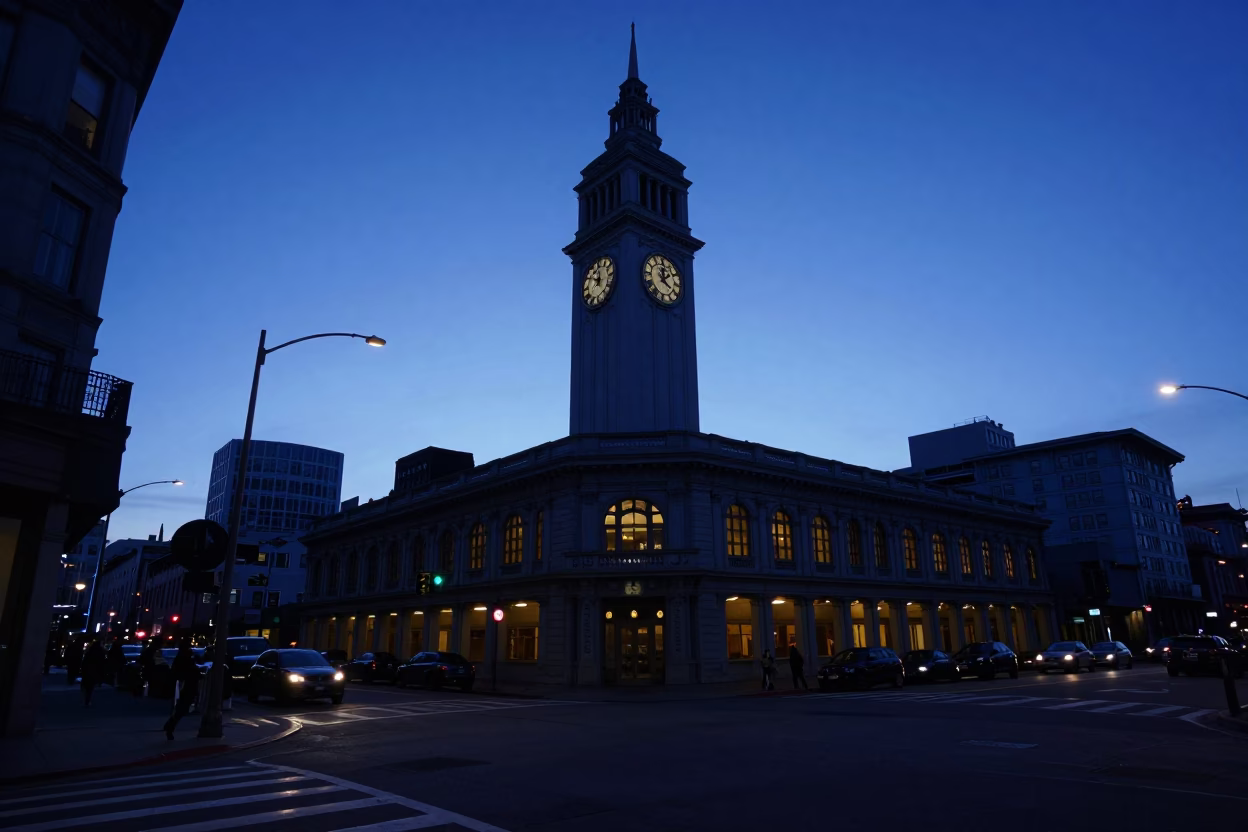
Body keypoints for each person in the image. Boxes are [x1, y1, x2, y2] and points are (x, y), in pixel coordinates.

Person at [164, 640, 200, 739]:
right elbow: (187, 671)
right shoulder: (185, 658)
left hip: (187, 685)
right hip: (187, 685)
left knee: (182, 707)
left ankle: (170, 725)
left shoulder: (182, 657)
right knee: (182, 708)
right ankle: (170, 726)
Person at [80, 640, 106, 707]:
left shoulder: (89, 652)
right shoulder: (100, 652)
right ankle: (88, 699)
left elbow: (84, 662)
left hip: (88, 671)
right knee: (90, 686)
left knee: (88, 685)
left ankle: (87, 698)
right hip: (94, 671)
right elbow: (102, 663)